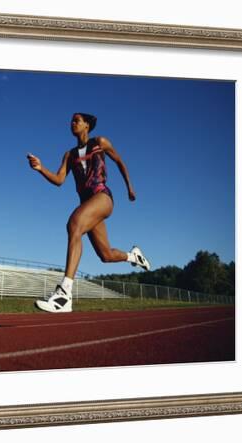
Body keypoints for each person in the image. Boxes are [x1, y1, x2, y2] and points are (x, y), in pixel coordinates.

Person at [27, 112, 150, 313]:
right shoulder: (69, 155)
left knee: (74, 224)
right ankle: (133, 256)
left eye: (77, 120)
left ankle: (64, 294)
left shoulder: (100, 142)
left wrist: (129, 187)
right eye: (71, 121)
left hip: (102, 197)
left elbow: (119, 162)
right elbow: (59, 180)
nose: (72, 123)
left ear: (87, 125)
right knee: (106, 255)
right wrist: (41, 168)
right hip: (88, 204)